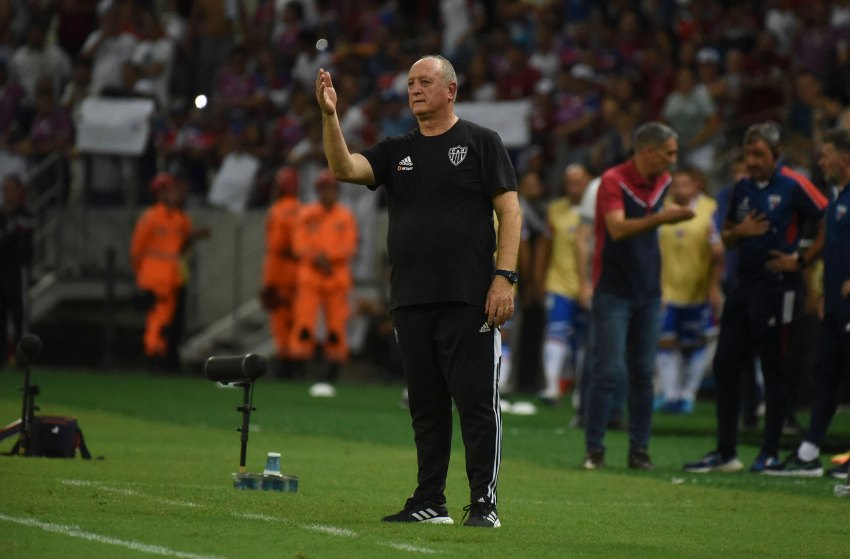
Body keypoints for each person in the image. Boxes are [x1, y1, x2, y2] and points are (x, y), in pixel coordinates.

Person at [316, 54, 521, 528]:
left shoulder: (480, 143)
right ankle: (430, 500)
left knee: (475, 404)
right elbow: (344, 168)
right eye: (410, 83)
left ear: (450, 90)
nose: (414, 89)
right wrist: (330, 116)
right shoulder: (397, 149)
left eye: (425, 81)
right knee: (426, 408)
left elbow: (510, 213)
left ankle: (484, 503)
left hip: (469, 296)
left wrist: (504, 277)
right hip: (409, 298)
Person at [684, 122, 828, 474]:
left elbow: (828, 218)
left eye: (759, 154)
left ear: (776, 156)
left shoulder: (794, 185)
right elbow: (729, 237)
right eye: (748, 153)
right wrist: (740, 232)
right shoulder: (742, 188)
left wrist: (803, 258)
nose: (751, 161)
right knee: (725, 365)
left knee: (773, 368)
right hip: (743, 287)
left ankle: (770, 452)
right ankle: (726, 452)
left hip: (779, 287)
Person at [583, 122, 695, 471]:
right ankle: (595, 450)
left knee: (644, 373)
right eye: (670, 152)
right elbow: (617, 228)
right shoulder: (613, 181)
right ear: (650, 151)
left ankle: (639, 451)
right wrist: (663, 217)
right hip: (613, 290)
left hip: (648, 291)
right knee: (608, 370)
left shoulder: (661, 182)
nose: (674, 160)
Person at [765, 127, 850, 479]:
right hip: (835, 303)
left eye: (827, 154)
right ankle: (809, 452)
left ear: (845, 158)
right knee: (826, 374)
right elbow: (831, 242)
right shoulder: (837, 195)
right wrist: (809, 272)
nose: (821, 160)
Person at [655, 167, 724, 414]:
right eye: (677, 184)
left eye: (687, 184)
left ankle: (688, 394)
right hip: (667, 289)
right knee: (665, 342)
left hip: (699, 290)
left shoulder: (710, 209)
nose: (681, 188)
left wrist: (714, 286)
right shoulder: (662, 209)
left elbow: (718, 252)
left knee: (696, 343)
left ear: (697, 185)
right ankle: (671, 393)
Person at [288, 169, 358, 396]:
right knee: (305, 323)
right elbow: (299, 243)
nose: (329, 193)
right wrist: (317, 256)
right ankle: (298, 368)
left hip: (336, 277)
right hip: (311, 275)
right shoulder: (307, 214)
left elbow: (349, 246)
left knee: (336, 327)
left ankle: (333, 371)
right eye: (325, 188)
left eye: (332, 189)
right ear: (318, 191)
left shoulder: (345, 216)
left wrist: (327, 257)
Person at [130, 172, 207, 371]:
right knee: (158, 318)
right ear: (160, 192)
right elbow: (137, 251)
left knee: (170, 319)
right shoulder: (150, 217)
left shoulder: (180, 218)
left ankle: (164, 356)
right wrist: (141, 277)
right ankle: (153, 354)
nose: (175, 193)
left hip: (173, 277)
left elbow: (184, 241)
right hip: (154, 276)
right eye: (170, 189)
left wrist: (197, 235)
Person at [537, 163, 590, 404]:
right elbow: (544, 247)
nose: (574, 187)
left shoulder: (599, 210)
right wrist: (539, 278)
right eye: (570, 182)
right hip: (559, 282)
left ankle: (581, 393)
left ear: (589, 182)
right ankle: (551, 387)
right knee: (555, 333)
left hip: (588, 285)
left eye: (579, 182)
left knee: (583, 340)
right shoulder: (555, 210)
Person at [260, 166, 301, 377]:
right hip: (299, 271)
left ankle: (285, 365)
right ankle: (296, 365)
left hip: (279, 272)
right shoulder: (303, 208)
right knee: (297, 318)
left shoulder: (277, 210)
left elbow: (277, 245)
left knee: (280, 320)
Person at [0, 175, 34, 368]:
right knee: (1, 314)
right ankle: (3, 357)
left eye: (11, 188)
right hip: (1, 270)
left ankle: (22, 357)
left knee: (19, 315)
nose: (7, 193)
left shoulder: (25, 214)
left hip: (17, 271)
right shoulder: (2, 214)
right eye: (5, 189)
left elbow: (20, 239)